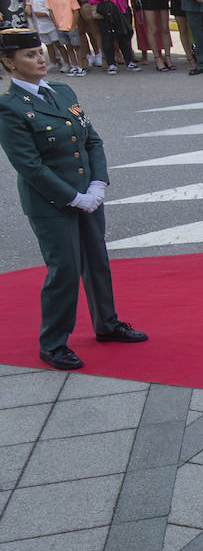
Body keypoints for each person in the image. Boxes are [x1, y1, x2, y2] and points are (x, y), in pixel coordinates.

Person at [0, 28, 148, 370]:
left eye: (39, 52)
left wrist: (97, 183)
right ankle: (52, 343)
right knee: (64, 269)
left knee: (97, 260)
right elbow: (29, 166)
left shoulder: (62, 91)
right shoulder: (9, 108)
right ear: (9, 62)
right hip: (51, 203)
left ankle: (107, 324)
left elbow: (91, 140)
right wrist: (73, 197)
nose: (40, 59)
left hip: (88, 195)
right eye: (30, 55)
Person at [42, 0, 83, 75]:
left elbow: (76, 11)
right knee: (68, 47)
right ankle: (73, 66)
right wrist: (55, 24)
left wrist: (73, 25)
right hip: (60, 27)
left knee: (76, 47)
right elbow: (50, 10)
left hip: (70, 26)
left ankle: (81, 66)